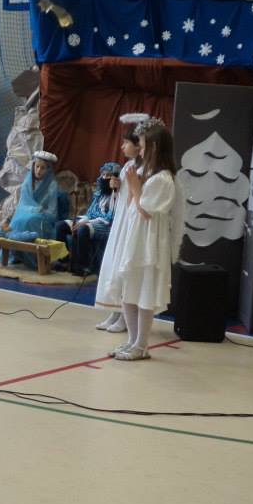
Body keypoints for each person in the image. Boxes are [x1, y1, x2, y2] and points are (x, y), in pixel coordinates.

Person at [95, 115, 180, 361]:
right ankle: (131, 340)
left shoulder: (163, 178)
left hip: (148, 243)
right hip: (134, 237)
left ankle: (141, 344)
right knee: (129, 290)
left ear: (155, 147)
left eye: (142, 145)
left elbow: (146, 209)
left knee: (144, 292)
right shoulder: (144, 171)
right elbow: (131, 203)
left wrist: (134, 185)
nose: (139, 149)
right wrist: (130, 185)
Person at [54, 161, 121, 277]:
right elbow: (91, 213)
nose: (105, 178)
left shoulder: (117, 195)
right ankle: (63, 261)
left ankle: (82, 266)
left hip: (106, 225)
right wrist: (80, 220)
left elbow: (109, 218)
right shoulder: (99, 194)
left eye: (109, 176)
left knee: (83, 229)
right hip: (91, 220)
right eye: (103, 175)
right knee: (61, 226)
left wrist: (84, 222)